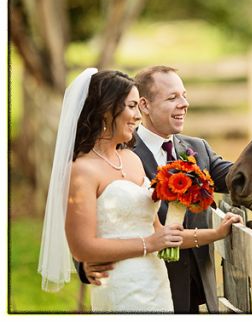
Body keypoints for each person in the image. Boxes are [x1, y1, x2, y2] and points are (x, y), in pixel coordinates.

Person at [38, 69, 238, 312]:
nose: (136, 116)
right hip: (121, 287)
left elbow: (160, 233)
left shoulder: (136, 158)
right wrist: (86, 263)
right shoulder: (86, 168)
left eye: (184, 96)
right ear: (108, 110)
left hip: (162, 285)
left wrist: (217, 233)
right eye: (172, 97)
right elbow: (86, 238)